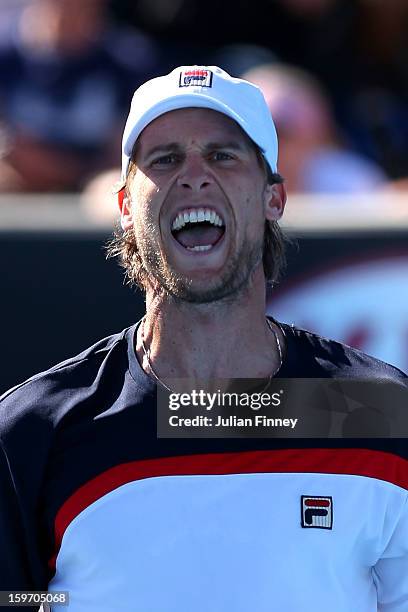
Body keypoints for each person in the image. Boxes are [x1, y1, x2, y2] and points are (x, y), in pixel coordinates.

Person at [0, 65, 407, 612]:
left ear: (274, 199)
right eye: (165, 160)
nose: (194, 176)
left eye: (223, 155)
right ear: (125, 207)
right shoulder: (34, 433)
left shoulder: (379, 410)